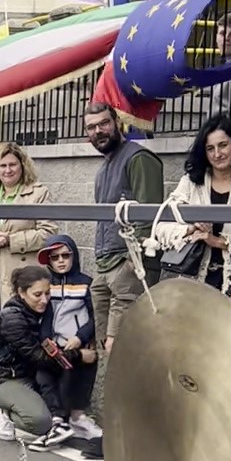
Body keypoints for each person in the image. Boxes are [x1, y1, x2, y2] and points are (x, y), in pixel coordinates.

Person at [84, 102, 164, 351]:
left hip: (130, 265)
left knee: (121, 346)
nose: (98, 131)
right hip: (104, 266)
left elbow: (149, 213)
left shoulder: (139, 158)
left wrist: (134, 260)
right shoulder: (103, 168)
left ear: (118, 123)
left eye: (104, 123)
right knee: (104, 346)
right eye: (91, 127)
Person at [152, 114, 231, 292]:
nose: (217, 154)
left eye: (223, 145)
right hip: (194, 282)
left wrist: (220, 242)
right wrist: (190, 229)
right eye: (210, 148)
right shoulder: (191, 182)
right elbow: (161, 227)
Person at [0, 142, 56, 322]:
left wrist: (12, 240)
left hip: (19, 274)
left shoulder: (38, 193)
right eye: (3, 165)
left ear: (22, 166)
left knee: (15, 328)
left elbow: (48, 233)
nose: (7, 170)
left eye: (12, 165)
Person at [33, 239, 100, 449]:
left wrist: (80, 336)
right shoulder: (47, 286)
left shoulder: (87, 283)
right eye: (55, 257)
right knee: (50, 380)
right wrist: (46, 339)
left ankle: (78, 418)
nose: (60, 261)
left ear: (74, 256)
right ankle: (59, 421)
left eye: (65, 255)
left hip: (79, 343)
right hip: (55, 344)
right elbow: (45, 316)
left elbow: (95, 315)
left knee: (81, 377)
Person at [0, 264, 62, 442]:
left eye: (47, 293)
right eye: (37, 294)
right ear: (21, 292)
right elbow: (37, 355)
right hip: (4, 380)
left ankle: (15, 405)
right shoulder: (12, 319)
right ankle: (7, 413)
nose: (44, 300)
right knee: (41, 423)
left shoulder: (38, 311)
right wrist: (76, 356)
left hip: (30, 376)